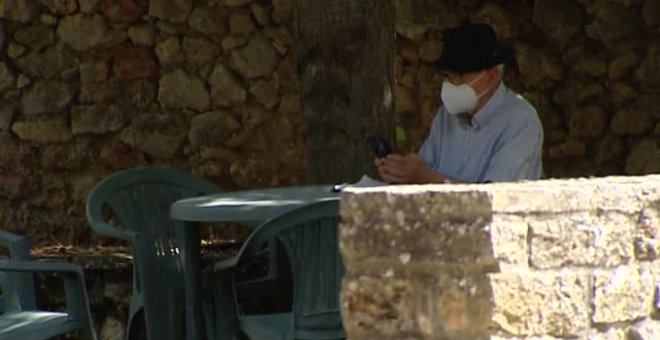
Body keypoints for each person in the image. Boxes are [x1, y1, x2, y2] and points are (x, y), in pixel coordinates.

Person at [376, 23, 543, 184]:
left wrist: (429, 179)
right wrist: (401, 173)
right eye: (447, 76)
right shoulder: (446, 116)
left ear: (492, 77)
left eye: (458, 76)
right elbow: (423, 174)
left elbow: (495, 200)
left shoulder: (521, 121)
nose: (449, 84)